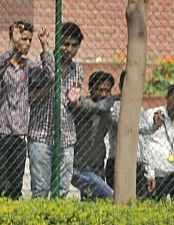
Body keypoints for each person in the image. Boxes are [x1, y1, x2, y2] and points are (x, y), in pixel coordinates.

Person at [0, 21, 53, 199]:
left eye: (30, 40)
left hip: (18, 136)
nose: (27, 44)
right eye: (24, 39)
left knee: (15, 187)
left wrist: (45, 47)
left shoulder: (28, 66)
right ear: (12, 38)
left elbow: (50, 76)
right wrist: (12, 49)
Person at [28, 21, 85, 199]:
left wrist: (75, 101)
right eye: (65, 43)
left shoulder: (78, 70)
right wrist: (49, 84)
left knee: (61, 190)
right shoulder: (41, 65)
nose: (68, 49)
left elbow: (74, 102)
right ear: (57, 42)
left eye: (73, 45)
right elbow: (31, 98)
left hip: (66, 135)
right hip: (41, 134)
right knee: (40, 189)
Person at [70, 71, 116, 200]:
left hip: (98, 164)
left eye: (107, 90)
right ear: (90, 89)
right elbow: (98, 107)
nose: (103, 94)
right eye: (99, 90)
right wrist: (116, 97)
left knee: (92, 202)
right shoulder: (82, 105)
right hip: (80, 166)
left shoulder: (109, 109)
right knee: (110, 197)